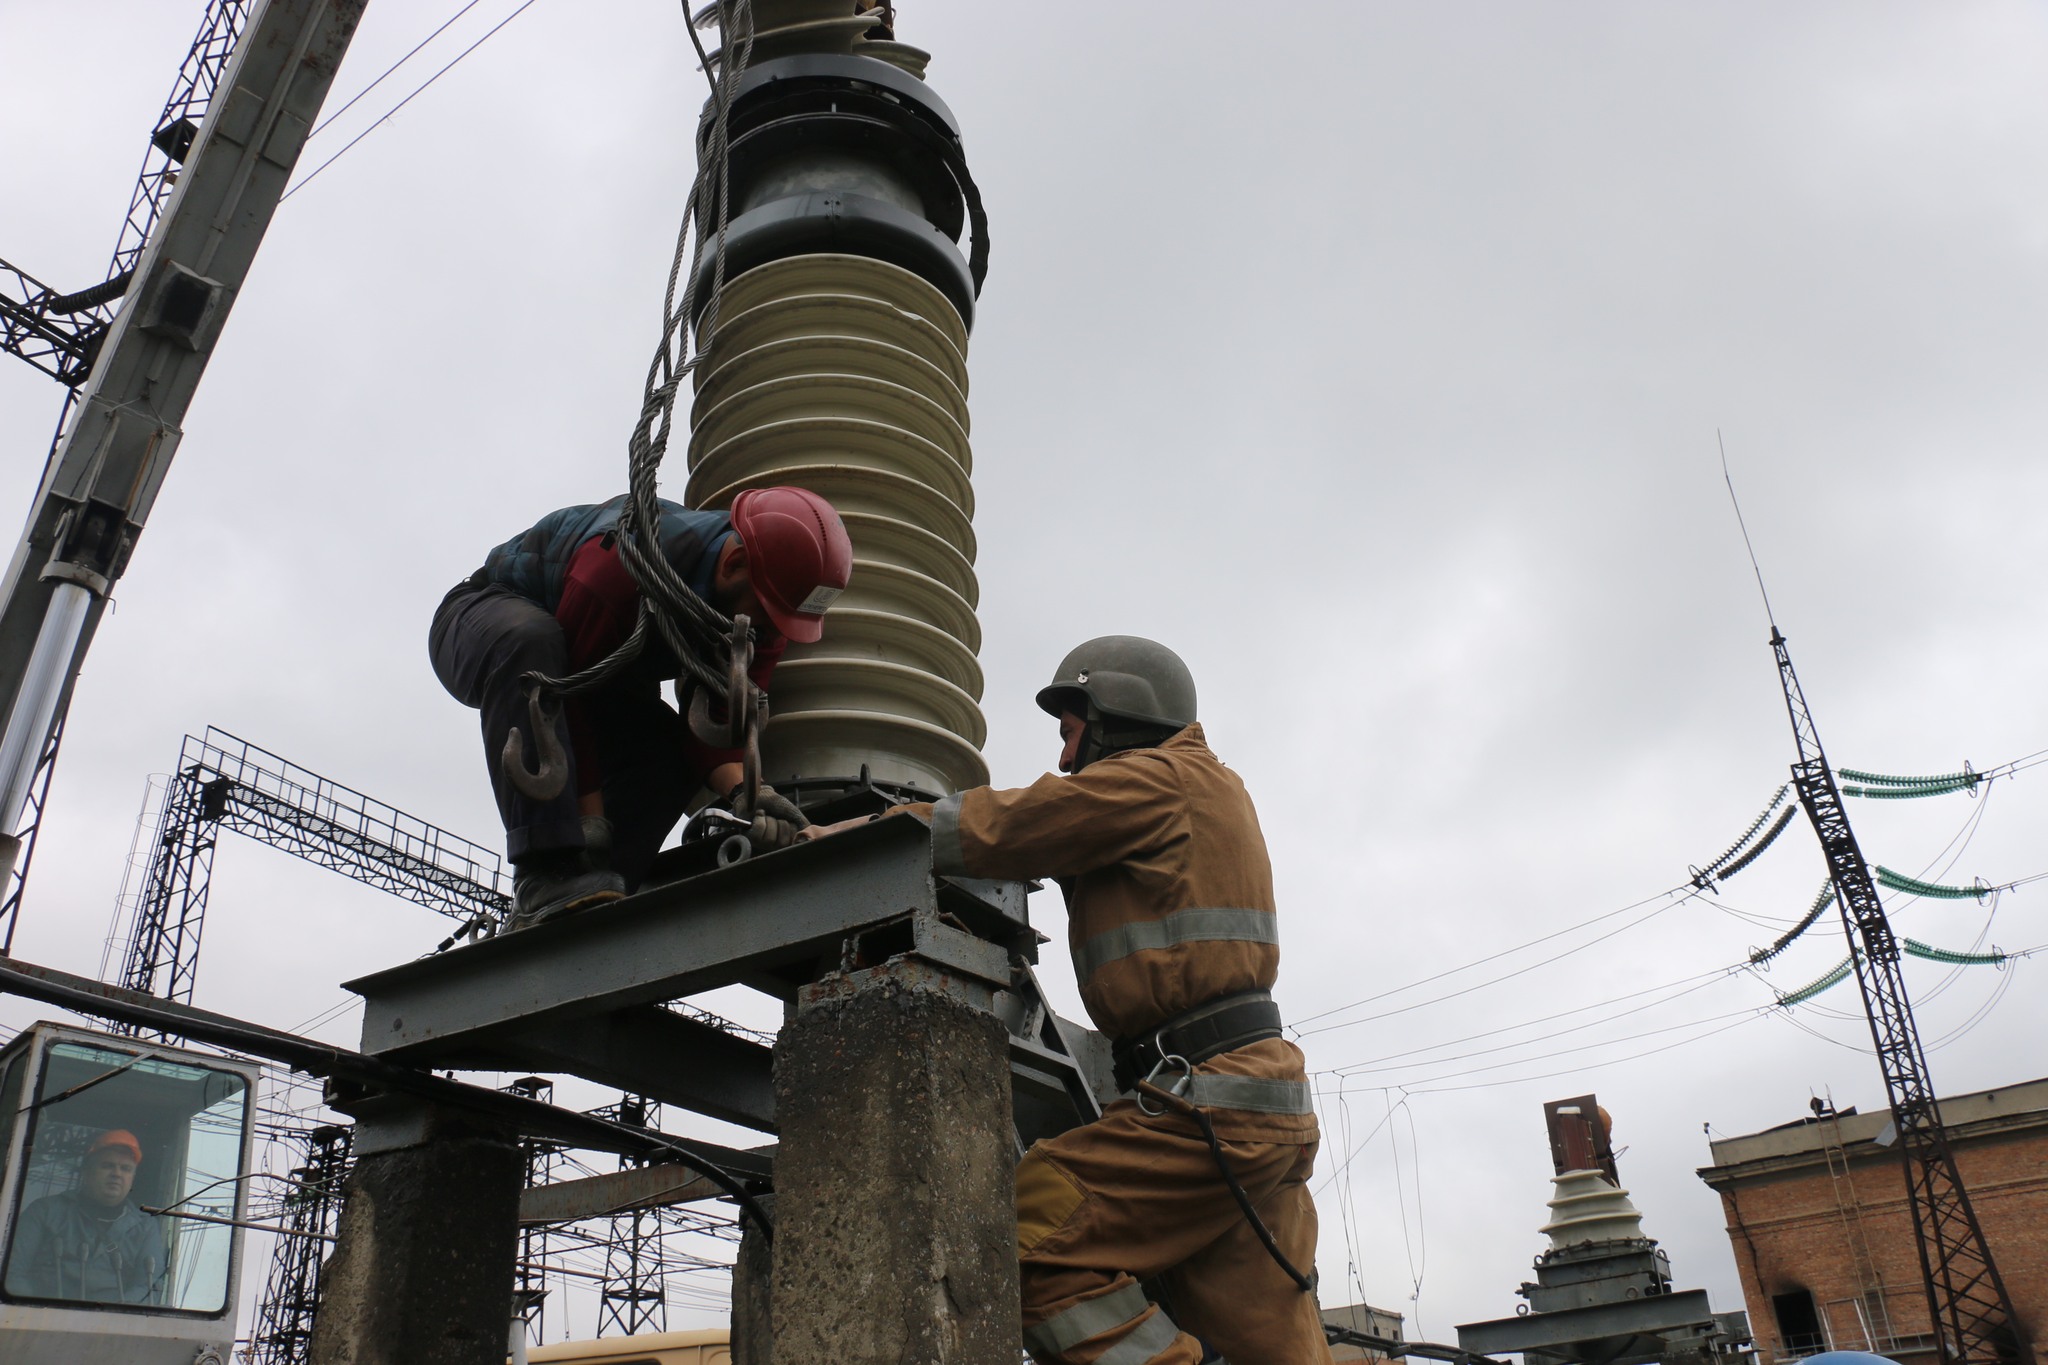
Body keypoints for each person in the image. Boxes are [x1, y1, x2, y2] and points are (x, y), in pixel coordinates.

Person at [802, 636, 1333, 1365]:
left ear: (1116, 715)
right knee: (1270, 1348)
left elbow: (1012, 824)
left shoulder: (1156, 779)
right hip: (1256, 1108)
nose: (1062, 758)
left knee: (1019, 1235)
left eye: (1070, 732)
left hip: (1208, 1104)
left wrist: (846, 838)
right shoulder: (1209, 790)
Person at [431, 487, 852, 930]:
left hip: (596, 672)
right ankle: (547, 876)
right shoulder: (619, 567)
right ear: (732, 566)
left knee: (668, 754)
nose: (771, 634)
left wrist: (751, 795)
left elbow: (716, 734)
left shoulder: (765, 616)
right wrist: (589, 821)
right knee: (532, 643)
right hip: (487, 620)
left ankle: (600, 898)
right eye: (768, 617)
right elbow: (572, 696)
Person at [7, 1129, 163, 1305]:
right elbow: (12, 1271)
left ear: (133, 1178)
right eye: (107, 1165)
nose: (117, 1174)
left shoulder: (146, 1228)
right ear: (87, 1170)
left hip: (110, 1328)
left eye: (125, 1168)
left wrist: (110, 1319)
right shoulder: (44, 1211)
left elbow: (149, 1287)